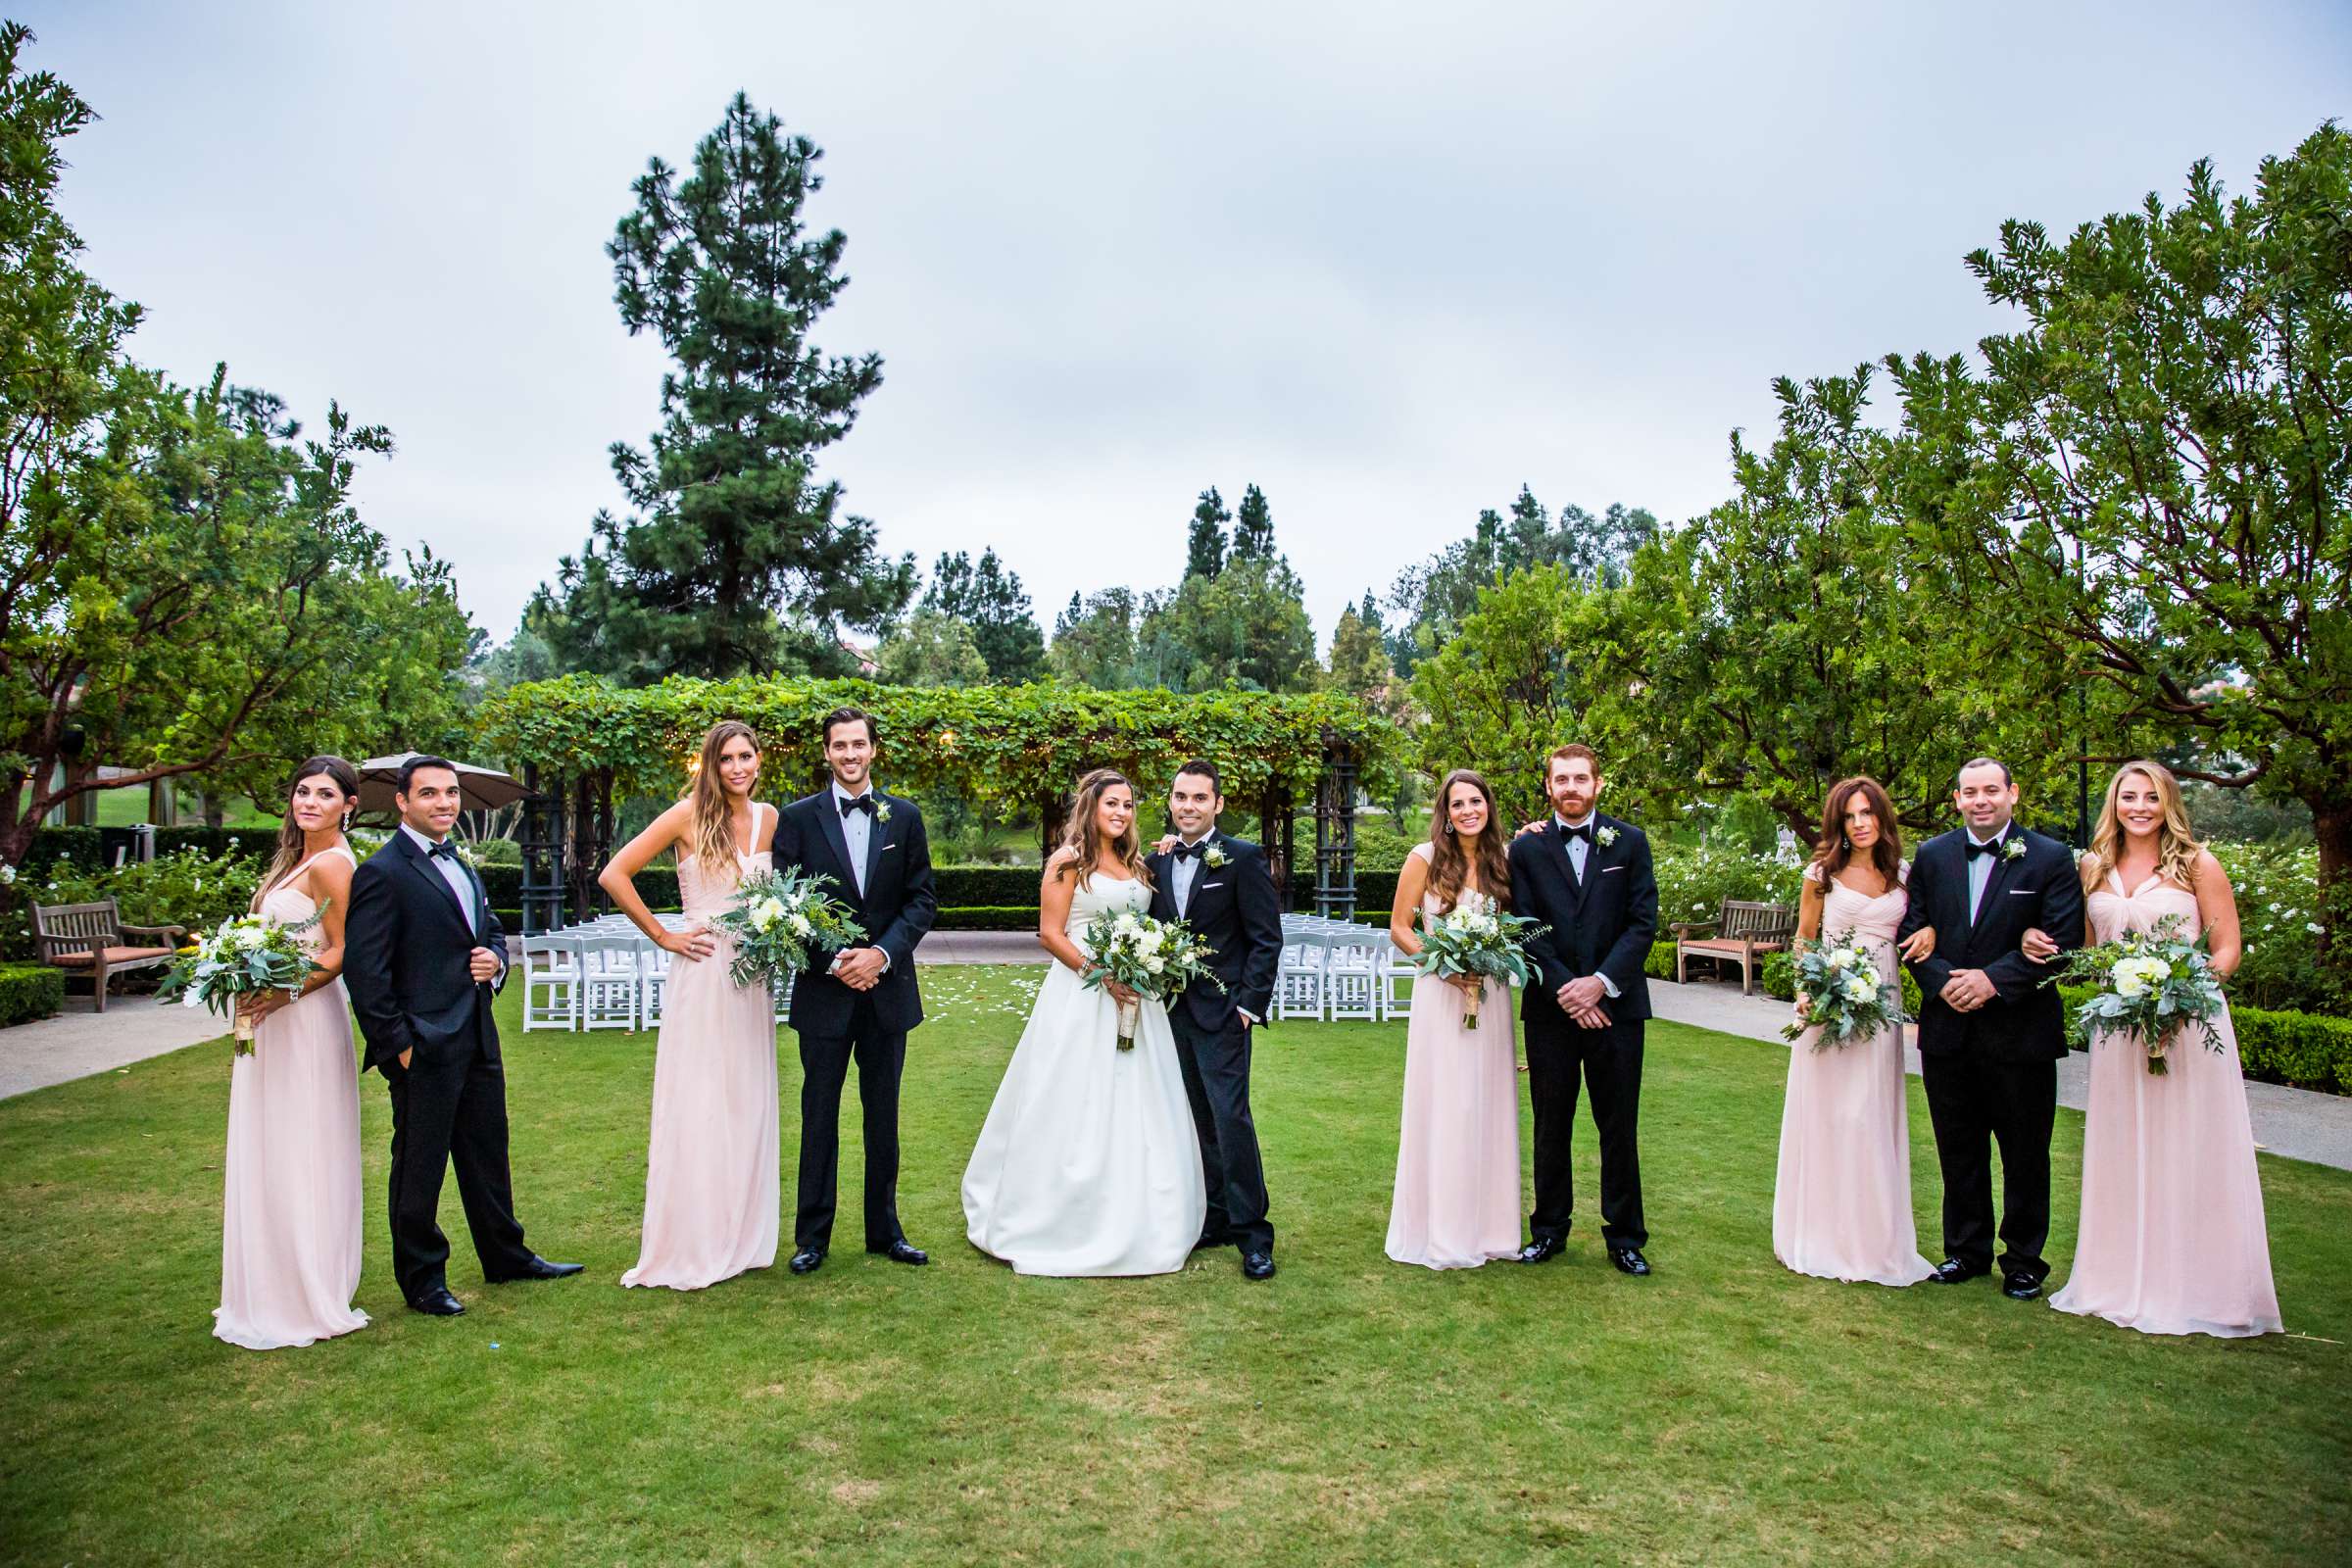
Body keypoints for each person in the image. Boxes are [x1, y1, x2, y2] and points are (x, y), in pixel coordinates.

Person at [2038, 760, 2281, 1337]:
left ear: (2168, 802)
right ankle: (2118, 1279)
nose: (2140, 806)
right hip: (2119, 1030)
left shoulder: (2198, 864)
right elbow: (2090, 950)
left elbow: (2226, 948)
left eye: (2151, 796)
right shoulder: (2092, 867)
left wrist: (2182, 996)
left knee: (2187, 1147)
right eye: (2129, 796)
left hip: (2189, 1027)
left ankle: (2196, 1284)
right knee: (2123, 1148)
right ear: (2114, 803)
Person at [343, 757, 581, 1317]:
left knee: (487, 1154)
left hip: (476, 1033)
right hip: (422, 1045)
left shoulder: (461, 862)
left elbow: (492, 930)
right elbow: (366, 972)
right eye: (429, 794)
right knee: (419, 1166)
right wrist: (397, 1043)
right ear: (402, 802)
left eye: (450, 793)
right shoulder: (382, 871)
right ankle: (423, 1279)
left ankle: (506, 1257)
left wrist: (494, 960)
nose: (444, 802)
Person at [961, 769, 1208, 1275]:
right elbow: (1050, 934)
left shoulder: (1138, 862)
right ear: (1091, 808)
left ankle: (1143, 1211)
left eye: (1128, 805)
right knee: (1074, 1096)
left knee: (1140, 1099)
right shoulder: (1067, 860)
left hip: (1137, 995)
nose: (1120, 813)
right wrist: (1102, 976)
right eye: (1111, 804)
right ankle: (1059, 1212)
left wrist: (1142, 967)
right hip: (1082, 996)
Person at [599, 720, 781, 1292]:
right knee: (701, 1099)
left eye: (746, 756)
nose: (737, 768)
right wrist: (665, 935)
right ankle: (694, 1239)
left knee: (746, 1099)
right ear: (711, 764)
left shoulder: (770, 817)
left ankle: (742, 1234)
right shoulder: (685, 816)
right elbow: (614, 874)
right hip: (702, 974)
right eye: (726, 758)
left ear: (758, 760)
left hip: (752, 980)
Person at [1894, 757, 2082, 1300]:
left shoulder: (2049, 857)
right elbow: (1912, 928)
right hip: (1948, 1029)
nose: (1981, 800)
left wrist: (1993, 981)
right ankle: (1966, 1251)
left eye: (1991, 791)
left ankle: (2024, 1260)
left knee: (2025, 1152)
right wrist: (1941, 982)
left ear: (2012, 794)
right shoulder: (1931, 855)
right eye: (1970, 792)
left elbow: (2063, 940)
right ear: (1957, 799)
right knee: (1959, 1148)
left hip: (2020, 1033)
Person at [770, 708, 937, 1276]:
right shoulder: (795, 820)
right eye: (839, 745)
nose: (849, 754)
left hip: (887, 993)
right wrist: (837, 959)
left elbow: (921, 900)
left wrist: (880, 955)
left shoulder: (905, 817)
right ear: (826, 753)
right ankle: (811, 1238)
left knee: (882, 1116)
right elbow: (787, 906)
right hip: (824, 994)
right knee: (818, 1115)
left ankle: (885, 1231)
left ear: (873, 750)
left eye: (858, 744)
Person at [214, 756, 369, 1349]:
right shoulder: (295, 858)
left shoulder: (333, 864)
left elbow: (340, 953)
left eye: (325, 794)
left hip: (304, 1021)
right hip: (272, 1021)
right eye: (303, 791)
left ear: (348, 806)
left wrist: (281, 995)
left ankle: (306, 1286)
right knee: (270, 1145)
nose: (309, 802)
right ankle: (271, 1280)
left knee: (301, 1145)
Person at [1773, 776, 1937, 1287]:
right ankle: (1821, 1234)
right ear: (1838, 823)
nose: (1861, 823)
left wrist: (1931, 931)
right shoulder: (1821, 874)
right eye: (1850, 815)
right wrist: (1807, 991)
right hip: (1827, 1007)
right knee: (1829, 1118)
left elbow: (1924, 928)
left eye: (1868, 813)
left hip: (1880, 1009)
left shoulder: (1906, 876)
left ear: (1882, 818)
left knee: (1869, 1117)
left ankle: (1873, 1239)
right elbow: (1803, 940)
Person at [1504, 744, 1658, 1275]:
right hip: (1551, 1011)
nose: (1571, 788)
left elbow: (1642, 924)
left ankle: (1626, 1238)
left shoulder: (1631, 843)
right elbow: (1522, 929)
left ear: (1597, 784)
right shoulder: (1524, 851)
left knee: (1618, 1125)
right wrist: (1569, 991)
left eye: (1580, 779)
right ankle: (1548, 1230)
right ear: (1548, 787)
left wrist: (1599, 984)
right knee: (1551, 1123)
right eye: (1561, 779)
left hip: (1618, 1008)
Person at [1141, 760, 1284, 1280]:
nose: (1189, 807)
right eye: (1181, 797)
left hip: (1223, 1014)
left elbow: (1266, 939)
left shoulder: (1243, 859)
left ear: (1218, 804)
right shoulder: (1154, 864)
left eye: (1200, 798)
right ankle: (1214, 1217)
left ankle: (1254, 1235)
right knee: (1191, 1119)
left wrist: (1248, 1006)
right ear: (1171, 801)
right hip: (1166, 1013)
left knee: (1230, 1119)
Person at [1384, 768, 1523, 1270]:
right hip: (1440, 996)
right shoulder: (1423, 859)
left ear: (1488, 806)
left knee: (1486, 1102)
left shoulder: (1503, 863)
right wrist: (1444, 968)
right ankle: (1438, 1230)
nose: (1468, 811)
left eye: (1477, 801)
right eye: (1458, 803)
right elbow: (1400, 929)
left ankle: (1490, 1230)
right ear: (1446, 810)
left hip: (1490, 996)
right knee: (1446, 1102)